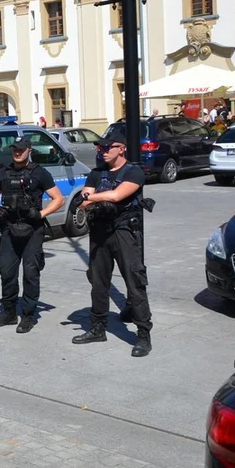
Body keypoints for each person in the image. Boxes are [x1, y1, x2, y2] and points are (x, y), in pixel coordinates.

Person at [72, 132, 153, 357]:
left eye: (109, 147)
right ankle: (98, 328)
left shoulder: (133, 171)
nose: (104, 151)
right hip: (99, 233)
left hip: (124, 232)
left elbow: (117, 196)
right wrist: (88, 199)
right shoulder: (96, 174)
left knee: (134, 282)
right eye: (101, 148)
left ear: (122, 149)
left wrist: (90, 198)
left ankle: (143, 335)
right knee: (98, 283)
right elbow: (82, 203)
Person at [0, 137, 64, 333]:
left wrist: (40, 214)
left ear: (29, 150)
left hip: (32, 229)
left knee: (31, 273)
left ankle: (28, 315)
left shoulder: (39, 173)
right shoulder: (4, 173)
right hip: (10, 228)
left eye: (21, 149)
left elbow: (59, 199)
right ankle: (9, 313)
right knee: (7, 272)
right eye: (14, 149)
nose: (17, 152)